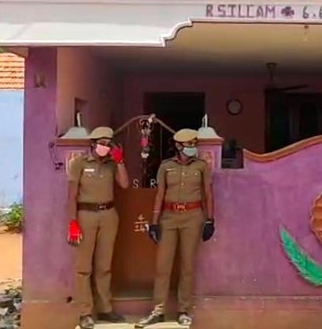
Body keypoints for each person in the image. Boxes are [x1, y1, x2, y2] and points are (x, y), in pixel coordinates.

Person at [136, 128, 216, 328]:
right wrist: (154, 222)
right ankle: (158, 310)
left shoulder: (201, 166)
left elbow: (208, 192)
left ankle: (183, 310)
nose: (192, 149)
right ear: (179, 146)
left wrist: (210, 220)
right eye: (189, 145)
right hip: (169, 217)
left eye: (194, 145)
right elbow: (160, 194)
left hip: (192, 216)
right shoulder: (166, 167)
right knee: (163, 265)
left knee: (187, 266)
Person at [67, 126, 130, 329]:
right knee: (84, 267)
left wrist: (120, 161)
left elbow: (125, 185)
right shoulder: (80, 163)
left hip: (108, 215)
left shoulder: (112, 164)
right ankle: (85, 312)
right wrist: (73, 222)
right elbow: (72, 195)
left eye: (108, 144)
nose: (105, 147)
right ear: (93, 144)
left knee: (104, 265)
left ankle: (105, 308)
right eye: (102, 143)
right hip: (86, 215)